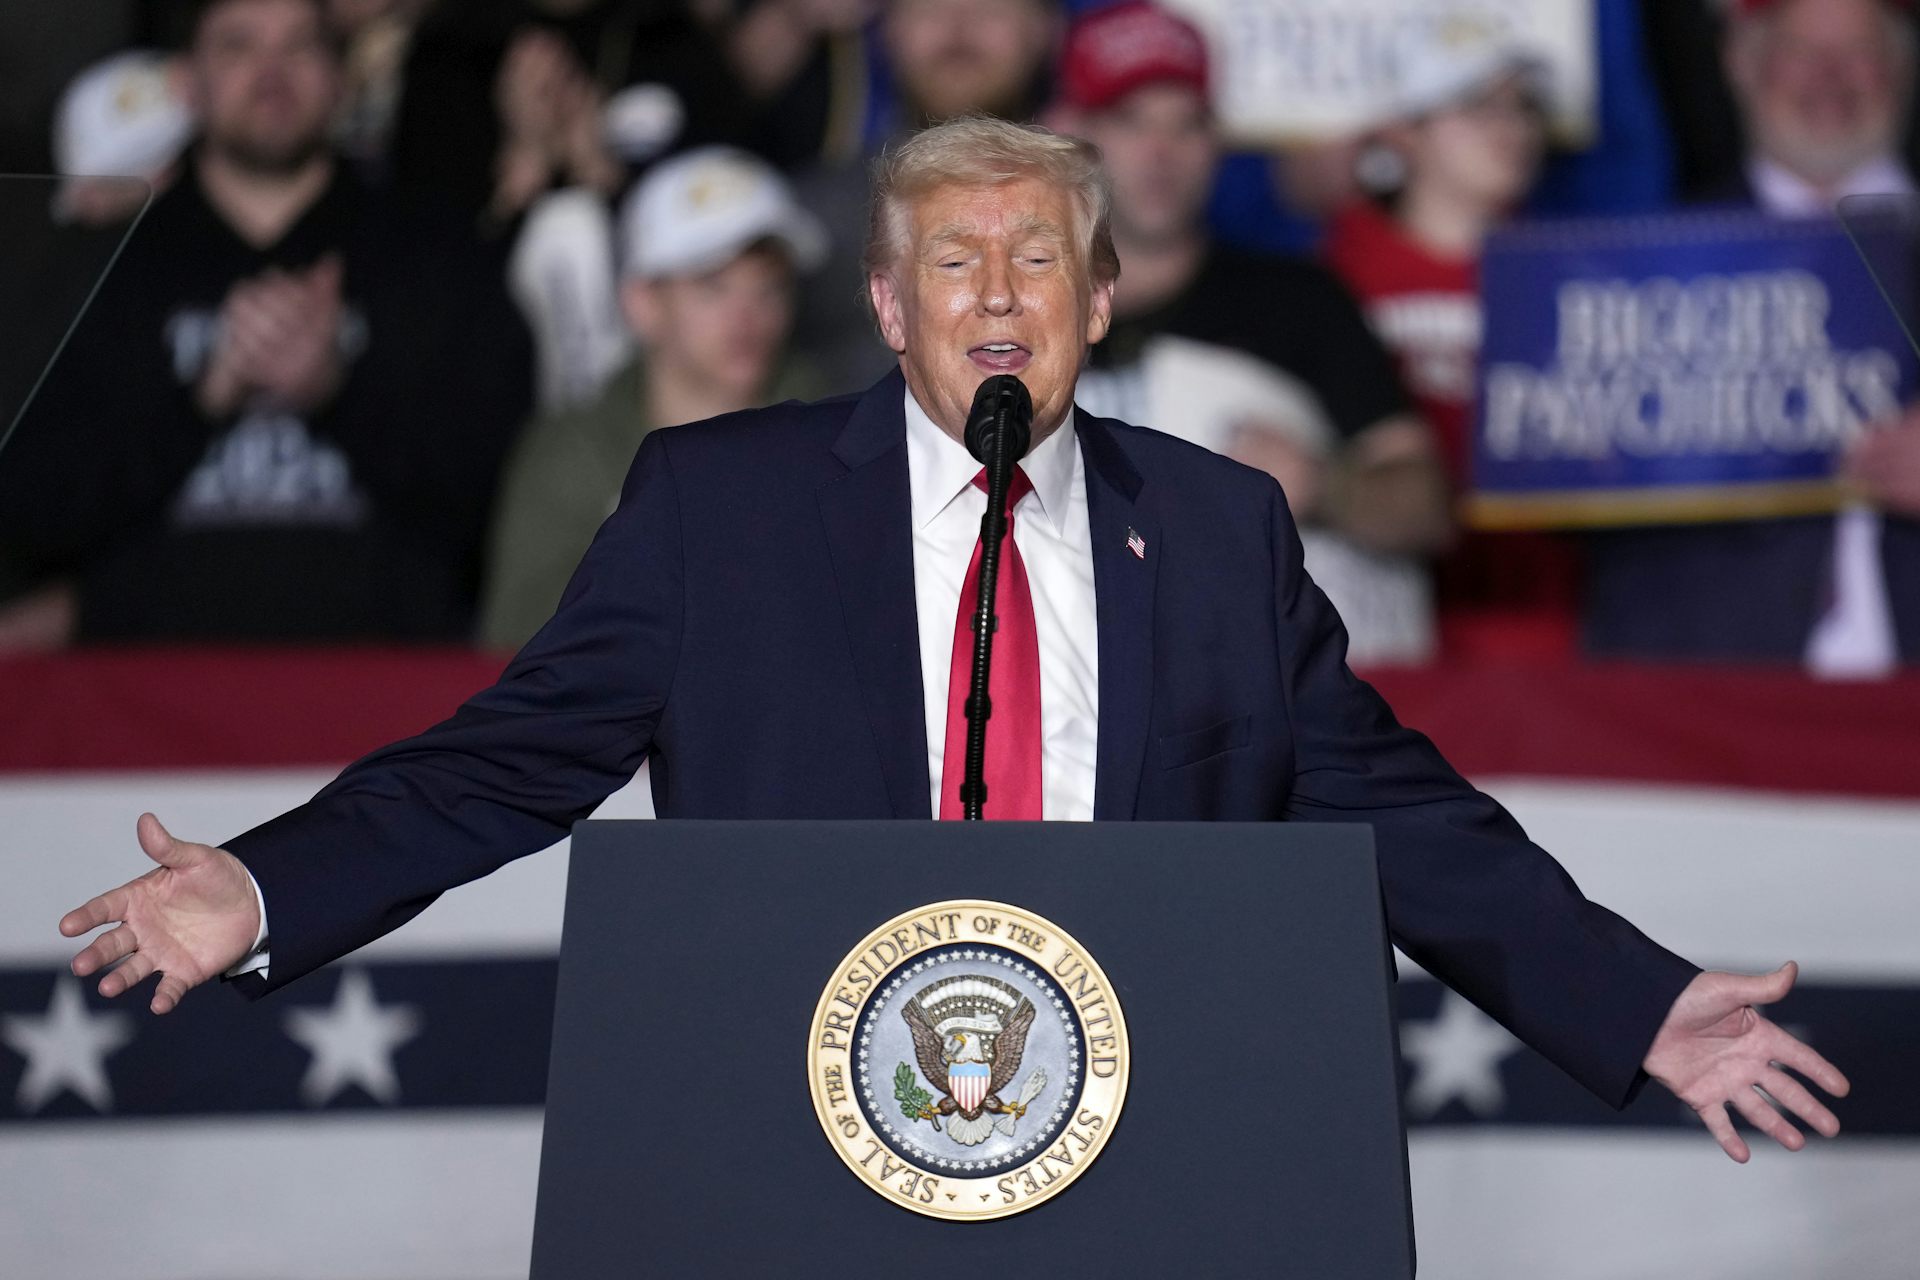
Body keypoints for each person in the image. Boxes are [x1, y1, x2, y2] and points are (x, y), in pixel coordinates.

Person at [63, 117, 1846, 1167]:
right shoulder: (722, 507)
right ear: (889, 306)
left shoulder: (1217, 531)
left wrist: (1638, 1002)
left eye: (1039, 264)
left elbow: (1395, 808)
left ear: (1102, 298)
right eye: (956, 266)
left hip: (1138, 1152)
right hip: (795, 1143)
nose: (999, 298)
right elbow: (512, 753)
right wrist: (269, 888)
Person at [0, 0, 533, 645]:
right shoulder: (104, 269)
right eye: (238, 46)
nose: (271, 72)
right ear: (190, 82)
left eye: (300, 47)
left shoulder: (435, 255)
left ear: (342, 78)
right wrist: (198, 402)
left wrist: (340, 391)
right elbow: (33, 509)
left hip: (387, 692)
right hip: (146, 702)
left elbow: (498, 505)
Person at [1048, 1, 1451, 663]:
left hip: (1276, 704)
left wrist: (1323, 486)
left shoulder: (1298, 301)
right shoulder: (1017, 320)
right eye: (1129, 121)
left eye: (1189, 125)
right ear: (1066, 133)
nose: (1160, 153)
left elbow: (1426, 509)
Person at [1582, 0, 1920, 671]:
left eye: (1859, 52)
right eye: (1799, 51)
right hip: (1706, 701)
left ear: (1903, 68)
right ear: (1741, 63)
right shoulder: (1638, 268)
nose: (1829, 78)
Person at [479, 146, 828, 648]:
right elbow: (512, 643)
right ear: (642, 303)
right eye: (713, 286)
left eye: (770, 288)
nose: (748, 316)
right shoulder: (571, 452)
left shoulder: (837, 435)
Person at [1323, 33, 1585, 654]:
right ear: (1402, 132)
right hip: (1379, 620)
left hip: (1541, 623)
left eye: (1523, 107)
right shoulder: (1337, 270)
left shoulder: (1573, 275)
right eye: (1478, 107)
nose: (1512, 128)